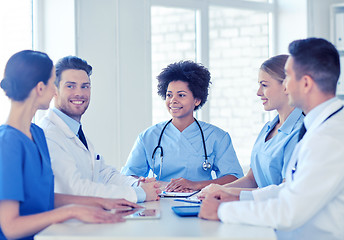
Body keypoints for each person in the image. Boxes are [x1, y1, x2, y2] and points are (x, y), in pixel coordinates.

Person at [0, 50, 140, 240]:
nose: (54, 91)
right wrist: (71, 211)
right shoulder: (5, 144)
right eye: (52, 83)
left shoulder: (37, 134)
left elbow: (45, 198)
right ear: (40, 88)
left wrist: (100, 202)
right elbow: (10, 226)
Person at [199, 38, 344, 240]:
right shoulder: (320, 126)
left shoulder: (330, 137)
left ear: (306, 83)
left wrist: (222, 211)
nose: (285, 86)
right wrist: (236, 195)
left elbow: (289, 211)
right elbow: (292, 190)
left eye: (288, 78)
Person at [39, 56, 160, 203]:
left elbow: (104, 173)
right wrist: (139, 194)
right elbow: (75, 190)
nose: (79, 93)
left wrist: (137, 184)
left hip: (87, 220)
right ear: (54, 90)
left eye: (85, 86)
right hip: (66, 224)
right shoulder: (48, 134)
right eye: (70, 86)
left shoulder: (76, 132)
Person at [121, 60, 243, 192]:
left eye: (181, 95)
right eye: (169, 95)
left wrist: (196, 185)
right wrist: (143, 183)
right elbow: (129, 176)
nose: (173, 100)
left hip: (201, 201)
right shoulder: (148, 136)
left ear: (197, 100)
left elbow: (233, 178)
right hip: (158, 200)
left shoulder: (217, 137)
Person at [198, 55, 304, 200]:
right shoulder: (268, 128)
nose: (258, 92)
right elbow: (251, 180)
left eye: (264, 85)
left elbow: (285, 191)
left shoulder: (300, 132)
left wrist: (227, 193)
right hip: (259, 209)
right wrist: (213, 191)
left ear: (286, 85)